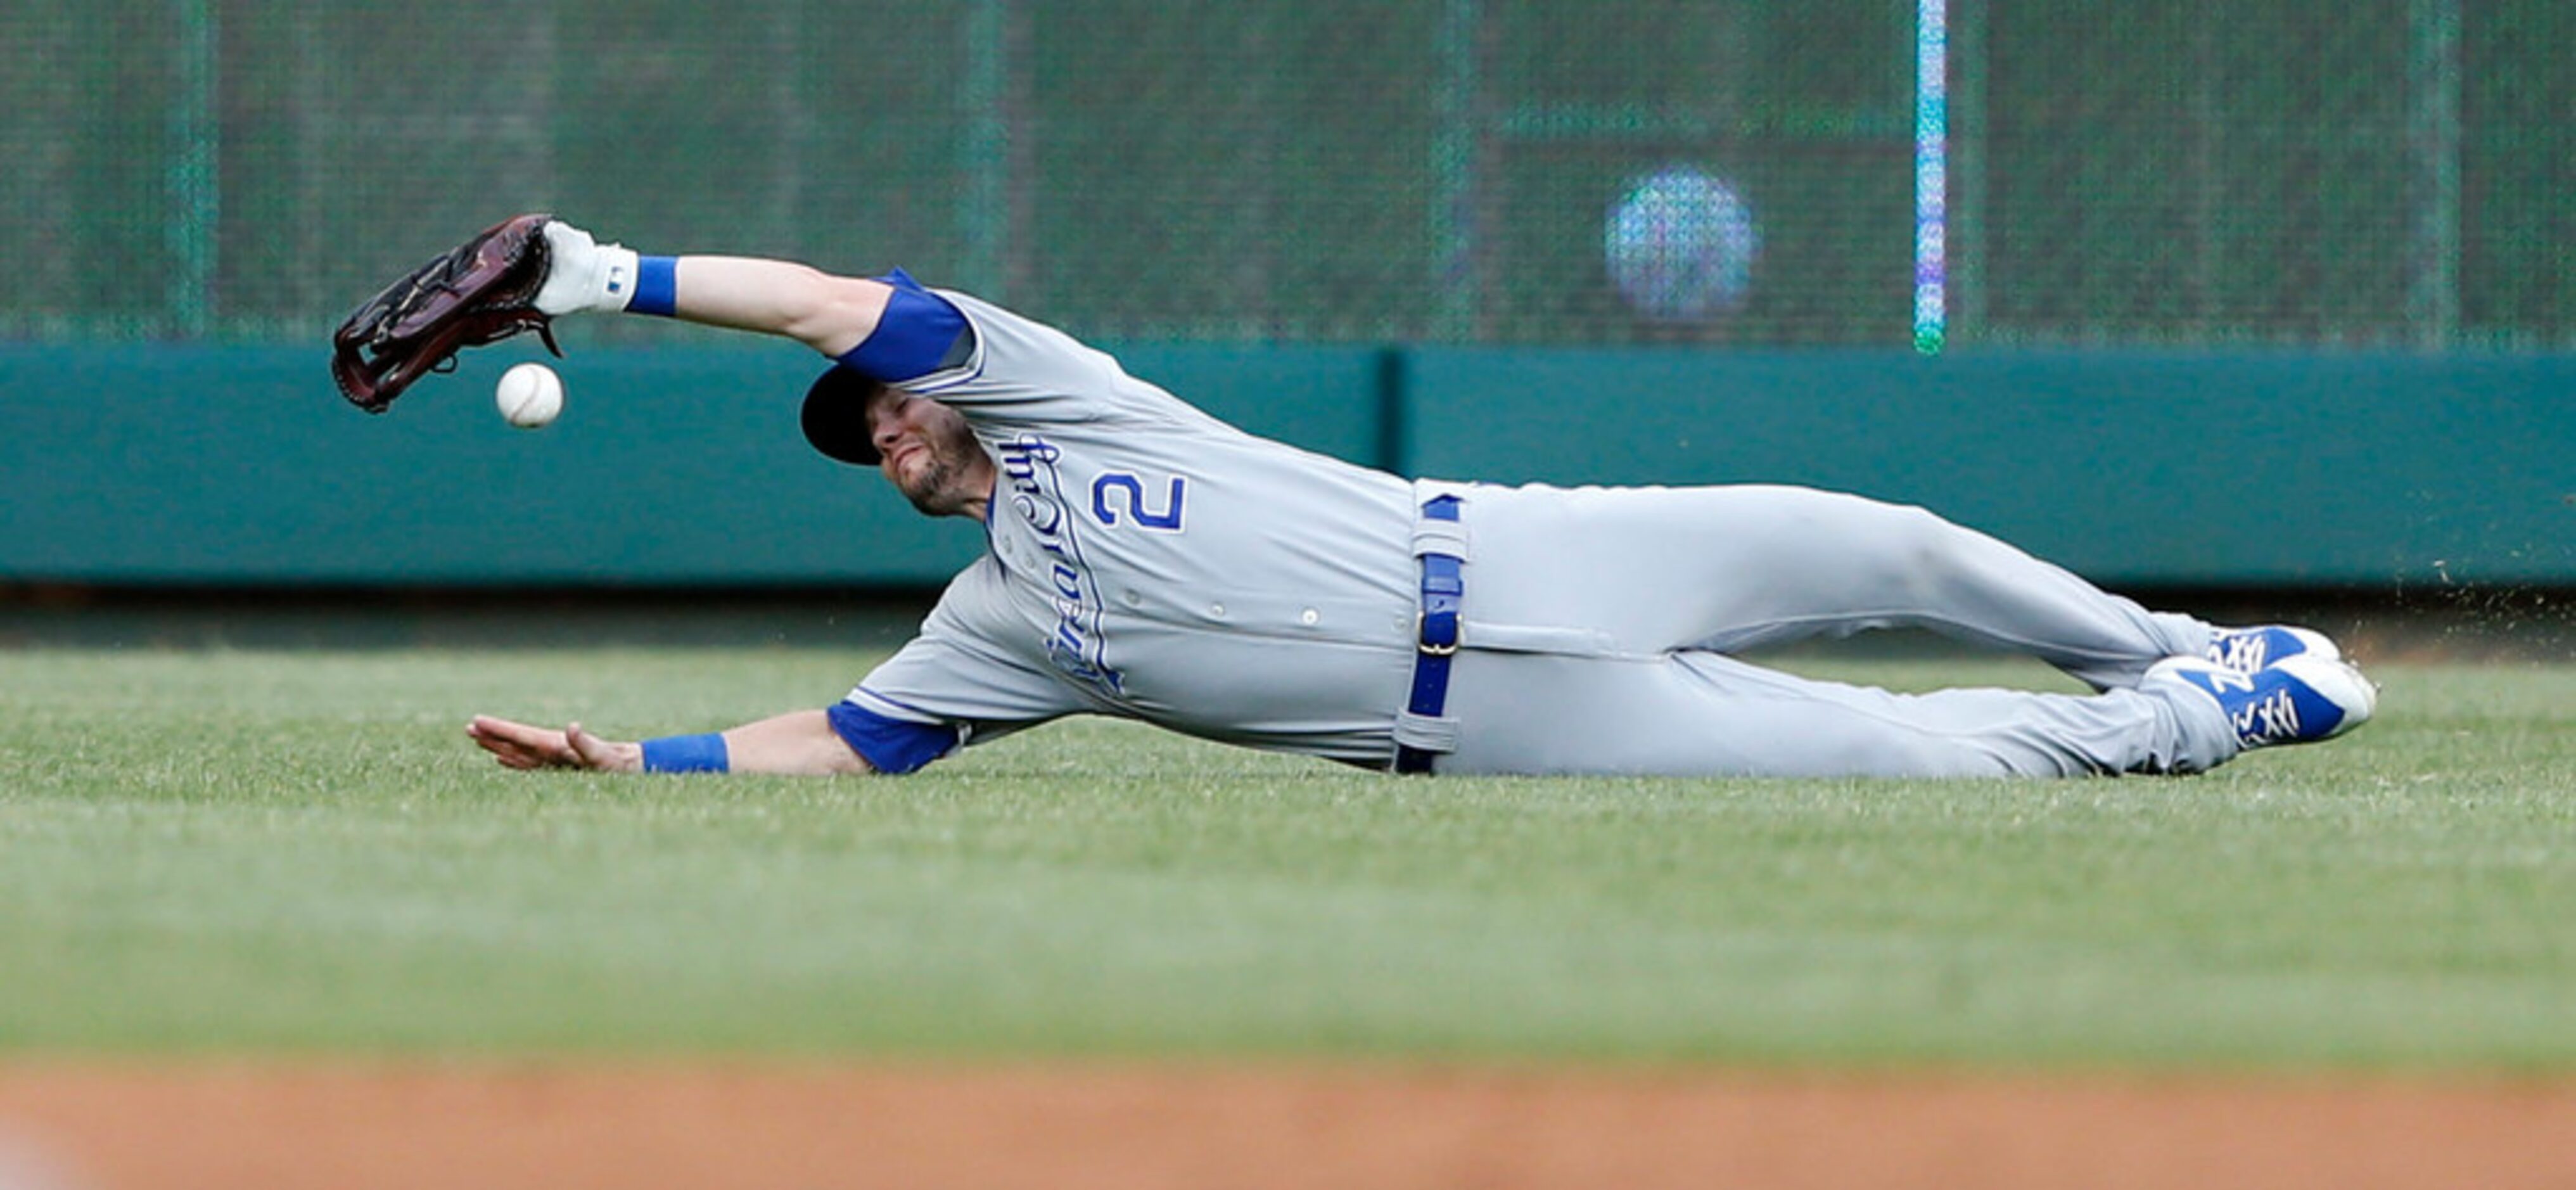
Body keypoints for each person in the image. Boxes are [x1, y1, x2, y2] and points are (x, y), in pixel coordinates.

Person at [466, 219, 2376, 779]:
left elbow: (812, 299)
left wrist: (599, 271)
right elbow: (849, 740)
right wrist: (640, 767)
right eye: (863, 438)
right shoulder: (1006, 624)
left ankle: (2177, 641)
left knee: (1879, 544)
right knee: (1921, 770)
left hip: (1521, 538)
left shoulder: (1054, 398)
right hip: (1492, 720)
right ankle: (2192, 720)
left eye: (887, 407)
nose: (885, 425)